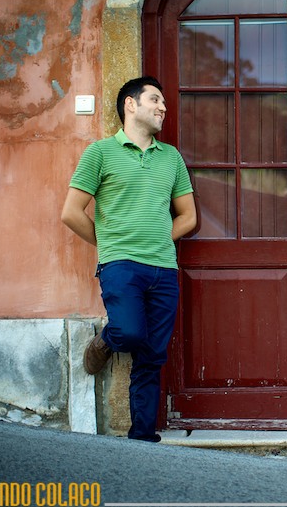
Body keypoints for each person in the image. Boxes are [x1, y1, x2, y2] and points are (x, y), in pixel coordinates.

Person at [61, 76, 197, 442]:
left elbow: (188, 216)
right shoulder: (100, 153)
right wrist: (110, 244)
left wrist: (156, 239)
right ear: (130, 105)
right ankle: (106, 339)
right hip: (120, 264)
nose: (163, 107)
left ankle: (142, 438)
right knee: (129, 331)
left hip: (164, 269)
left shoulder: (172, 158)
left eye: (164, 102)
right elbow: (72, 212)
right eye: (155, 99)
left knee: (152, 356)